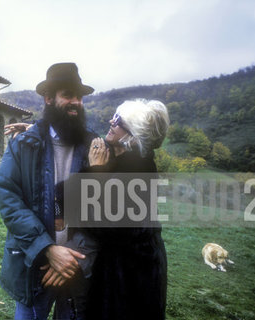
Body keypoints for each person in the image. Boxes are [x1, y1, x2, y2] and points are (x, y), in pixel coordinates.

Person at [0, 62, 98, 320]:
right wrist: (47, 249)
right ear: (49, 99)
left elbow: (102, 210)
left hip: (76, 268)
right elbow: (9, 198)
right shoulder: (24, 144)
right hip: (34, 264)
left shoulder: (94, 148)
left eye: (80, 97)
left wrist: (74, 258)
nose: (76, 102)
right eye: (68, 95)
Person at [84, 99, 169, 320]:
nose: (111, 121)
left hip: (131, 277)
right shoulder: (126, 158)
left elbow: (105, 227)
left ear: (132, 133)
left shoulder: (137, 169)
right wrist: (36, 129)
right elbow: (83, 135)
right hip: (128, 268)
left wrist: (97, 175)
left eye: (119, 119)